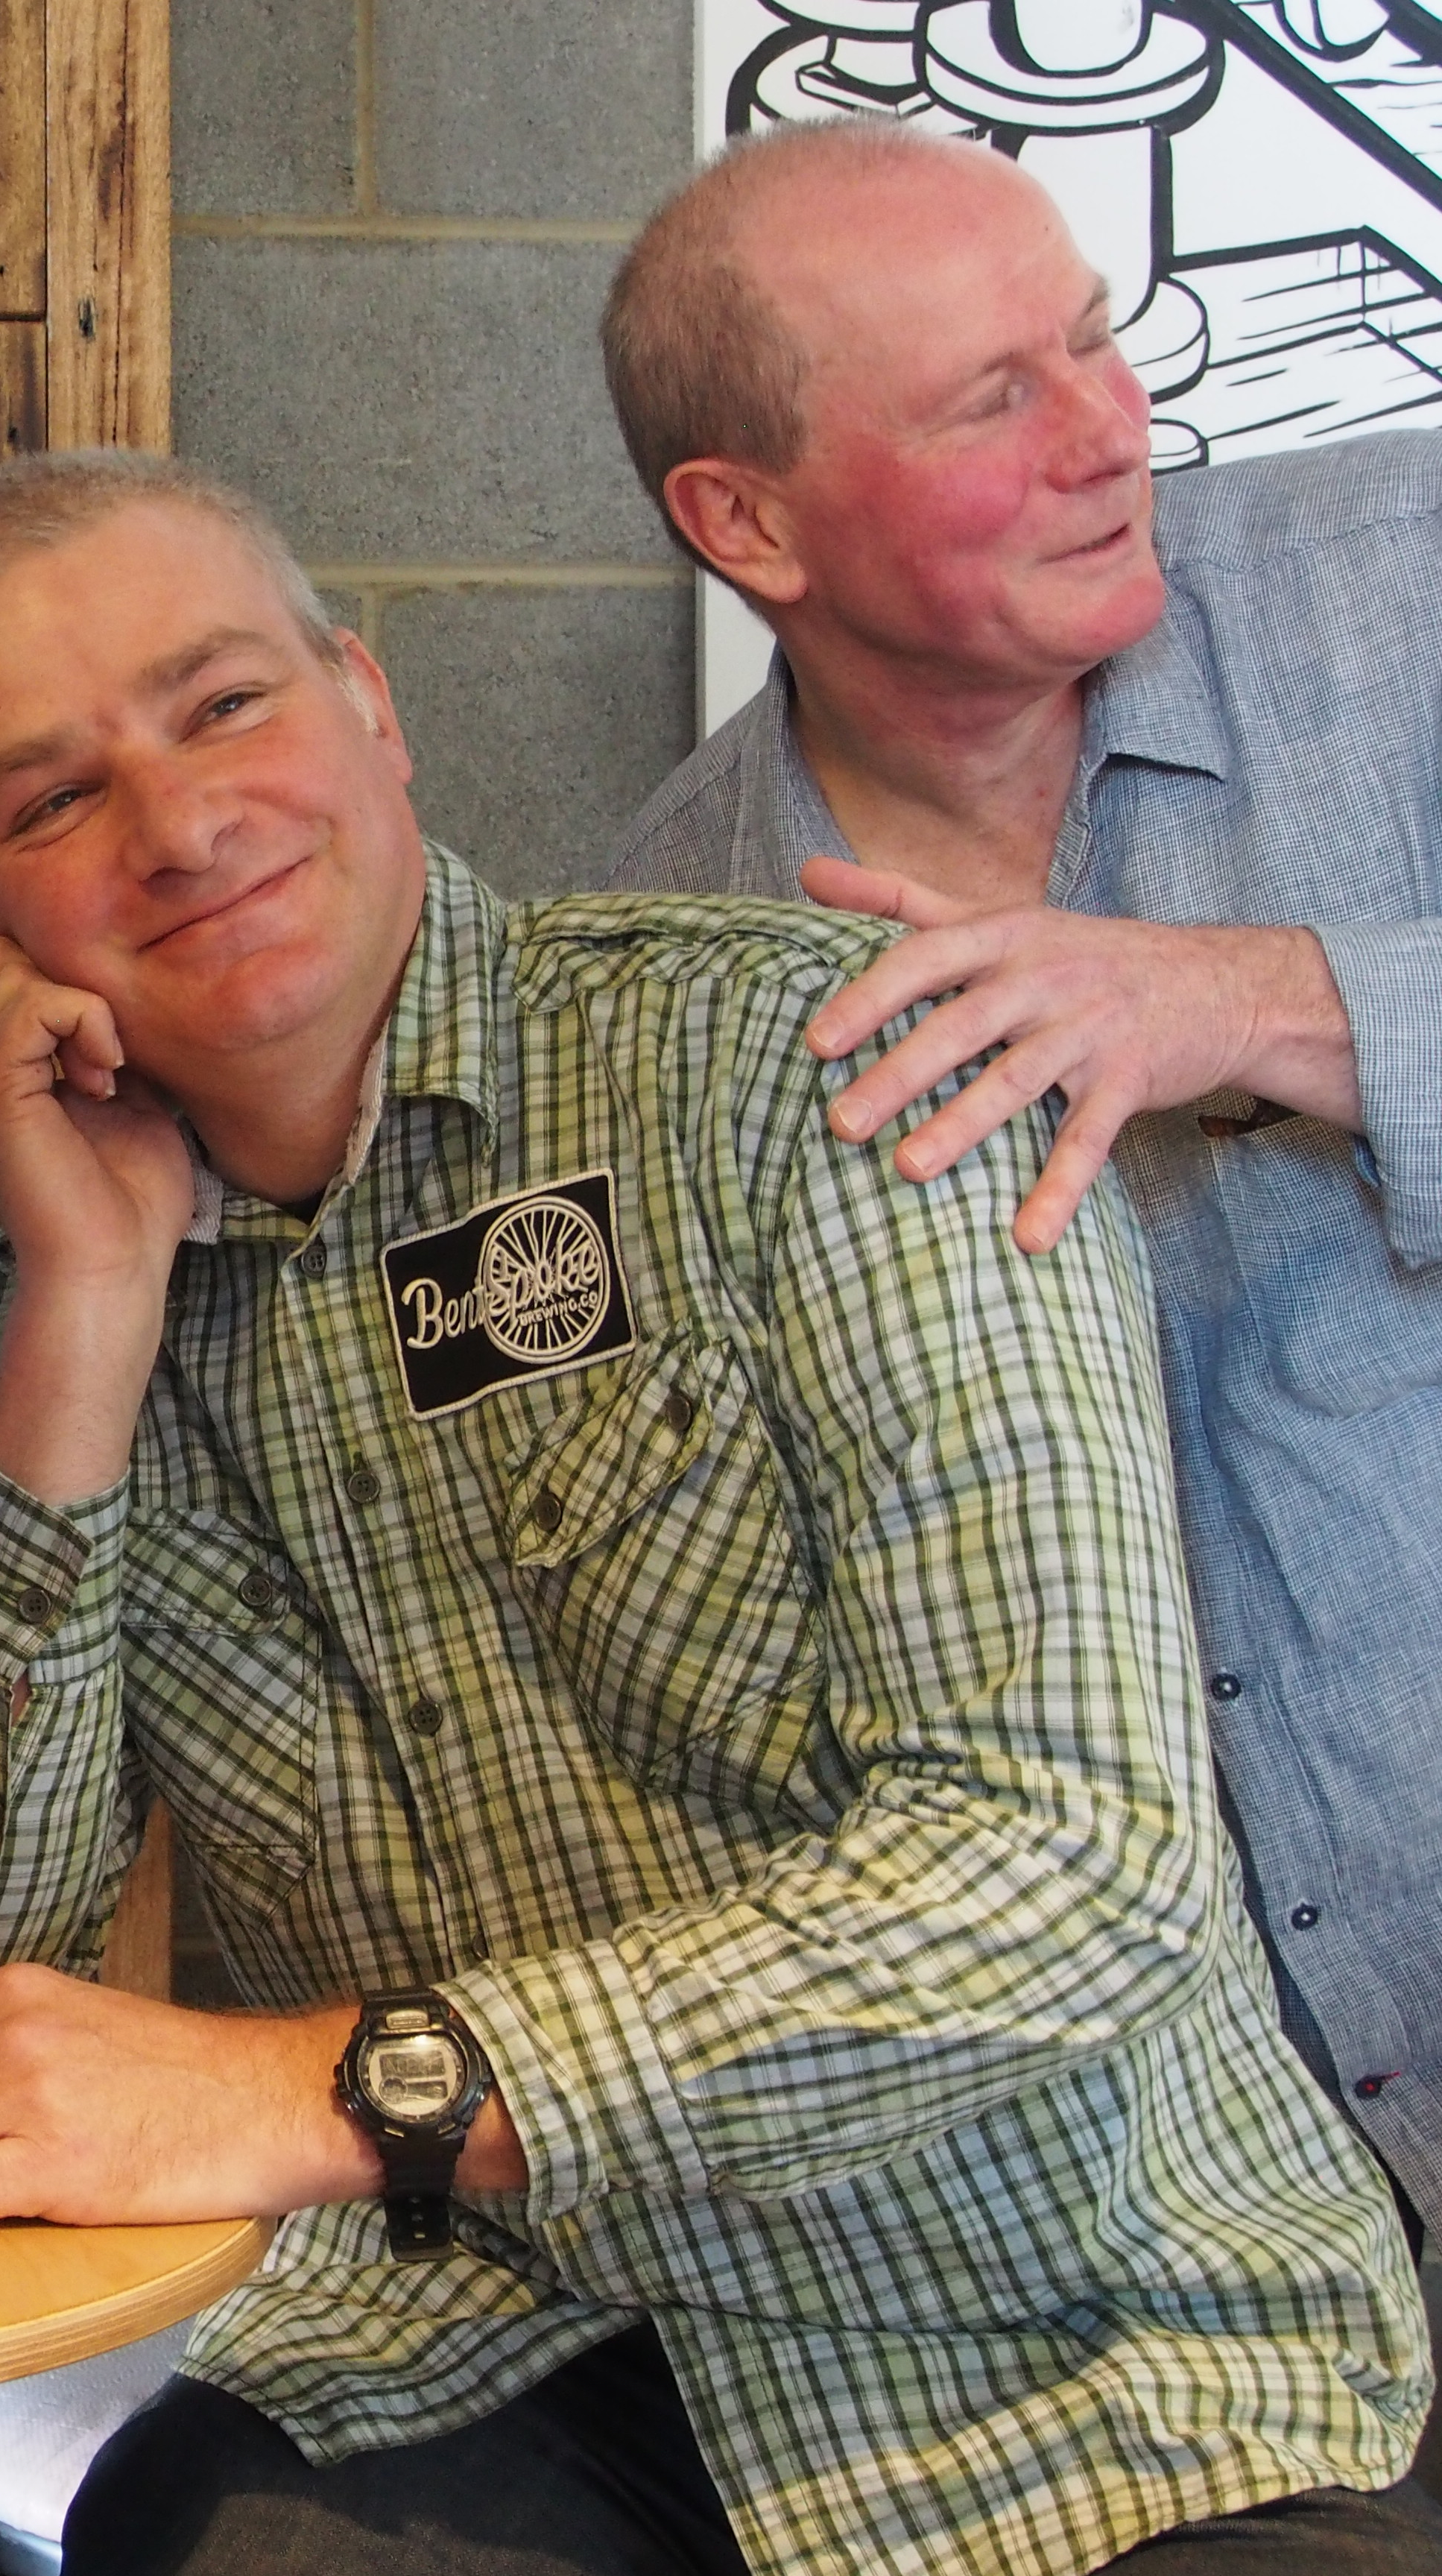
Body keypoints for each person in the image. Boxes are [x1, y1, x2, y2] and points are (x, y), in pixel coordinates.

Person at [0, 444, 1436, 2575]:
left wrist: (330, 2095)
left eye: (223, 706)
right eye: (48, 799)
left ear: (372, 709)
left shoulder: (808, 1068)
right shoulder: (40, 1323)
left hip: (1099, 2378)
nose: (182, 822)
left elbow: (1074, 1865)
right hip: (494, 2358)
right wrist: (87, 1308)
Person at [598, 119, 1442, 2247]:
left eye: (1093, 340)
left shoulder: (1408, 587)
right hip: (1171, 2243)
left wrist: (1262, 1002)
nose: (1111, 433)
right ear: (748, 519)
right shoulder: (657, 968)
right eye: (999, 396)